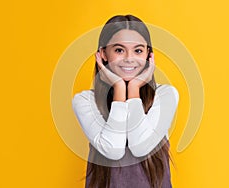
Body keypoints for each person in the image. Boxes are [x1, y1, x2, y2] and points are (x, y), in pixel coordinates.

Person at [72, 14, 179, 188]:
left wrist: (134, 88)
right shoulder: (85, 101)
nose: (129, 58)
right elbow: (113, 150)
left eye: (138, 51)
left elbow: (140, 147)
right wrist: (119, 88)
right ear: (103, 54)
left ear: (148, 56)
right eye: (119, 50)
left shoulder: (165, 95)